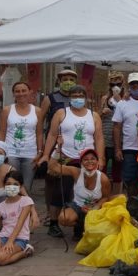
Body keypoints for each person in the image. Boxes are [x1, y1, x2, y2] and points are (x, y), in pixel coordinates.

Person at [39, 84, 105, 238]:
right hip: (65, 158)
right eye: (74, 96)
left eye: (80, 95)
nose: (77, 99)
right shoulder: (62, 113)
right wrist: (46, 155)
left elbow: (99, 137)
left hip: (87, 160)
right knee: (60, 190)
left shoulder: (93, 116)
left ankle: (79, 224)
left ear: (85, 97)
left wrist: (100, 158)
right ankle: (54, 223)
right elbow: (52, 135)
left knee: (85, 193)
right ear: (70, 98)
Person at [48, 148, 112, 240]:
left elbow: (106, 197)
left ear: (97, 161)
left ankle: (87, 227)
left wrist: (94, 208)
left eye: (93, 159)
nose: (89, 161)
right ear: (81, 163)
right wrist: (57, 151)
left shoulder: (103, 178)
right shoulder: (76, 172)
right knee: (64, 218)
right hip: (78, 205)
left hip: (95, 208)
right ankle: (80, 225)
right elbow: (53, 167)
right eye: (86, 159)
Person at [0, 171, 35, 266]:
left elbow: (19, 224)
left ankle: (25, 251)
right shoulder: (0, 206)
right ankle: (1, 253)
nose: (11, 186)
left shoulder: (26, 201)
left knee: (0, 259)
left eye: (15, 184)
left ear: (20, 187)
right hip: (3, 238)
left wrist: (10, 242)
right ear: (4, 186)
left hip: (19, 239)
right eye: (8, 184)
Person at [0, 81, 43, 192]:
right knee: (11, 185)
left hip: (30, 155)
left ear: (30, 92)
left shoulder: (37, 111)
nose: (21, 93)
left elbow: (39, 133)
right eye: (17, 91)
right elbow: (2, 132)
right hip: (11, 153)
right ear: (13, 94)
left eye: (24, 91)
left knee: (26, 187)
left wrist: (40, 152)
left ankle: (24, 208)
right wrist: (1, 151)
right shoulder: (7, 110)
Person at [113, 72, 138, 197]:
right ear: (128, 86)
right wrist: (117, 149)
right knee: (131, 181)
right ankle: (132, 206)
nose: (136, 86)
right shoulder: (122, 103)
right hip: (129, 149)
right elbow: (117, 127)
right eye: (133, 84)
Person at [100, 70, 124, 191]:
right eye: (112, 85)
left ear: (122, 84)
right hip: (105, 137)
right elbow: (97, 117)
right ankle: (104, 196)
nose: (115, 87)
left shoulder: (125, 98)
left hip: (120, 140)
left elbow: (128, 116)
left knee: (117, 172)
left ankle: (116, 197)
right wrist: (102, 113)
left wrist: (119, 100)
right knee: (103, 169)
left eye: (118, 84)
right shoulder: (104, 98)